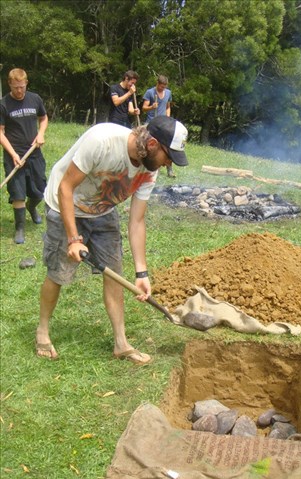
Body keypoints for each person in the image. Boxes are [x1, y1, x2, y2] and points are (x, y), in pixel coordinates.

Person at [35, 116, 188, 364]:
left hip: (102, 211)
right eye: (168, 156)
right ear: (152, 145)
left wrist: (141, 273)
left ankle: (121, 343)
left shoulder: (150, 170)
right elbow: (65, 187)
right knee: (59, 273)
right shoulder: (102, 141)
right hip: (65, 203)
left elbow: (137, 221)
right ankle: (42, 329)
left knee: (114, 273)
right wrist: (74, 239)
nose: (168, 163)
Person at [0, 68, 49, 244]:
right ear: (10, 84)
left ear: (26, 83)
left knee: (40, 190)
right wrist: (12, 154)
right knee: (17, 192)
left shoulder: (35, 99)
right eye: (16, 88)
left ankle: (31, 206)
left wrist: (41, 133)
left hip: (34, 152)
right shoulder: (4, 104)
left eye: (22, 87)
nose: (19, 91)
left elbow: (43, 118)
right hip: (14, 155)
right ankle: (19, 228)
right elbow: (1, 132)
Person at [142, 75, 176, 177]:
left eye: (164, 87)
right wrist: (151, 107)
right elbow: (144, 108)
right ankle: (149, 167)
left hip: (163, 124)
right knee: (149, 146)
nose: (162, 88)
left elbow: (168, 106)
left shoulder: (168, 93)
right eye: (161, 86)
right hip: (151, 123)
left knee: (167, 146)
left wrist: (168, 117)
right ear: (157, 83)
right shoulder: (150, 92)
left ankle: (169, 170)